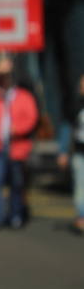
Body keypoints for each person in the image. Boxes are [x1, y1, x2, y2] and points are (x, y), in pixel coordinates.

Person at [0, 58, 39, 229]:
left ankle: (15, 216)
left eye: (7, 77)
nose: (4, 80)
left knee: (16, 183)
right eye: (1, 77)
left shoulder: (23, 96)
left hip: (16, 146)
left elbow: (31, 118)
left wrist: (18, 129)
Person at [57, 73, 84, 234]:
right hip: (80, 153)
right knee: (81, 188)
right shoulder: (75, 106)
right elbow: (66, 130)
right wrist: (63, 152)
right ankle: (82, 217)